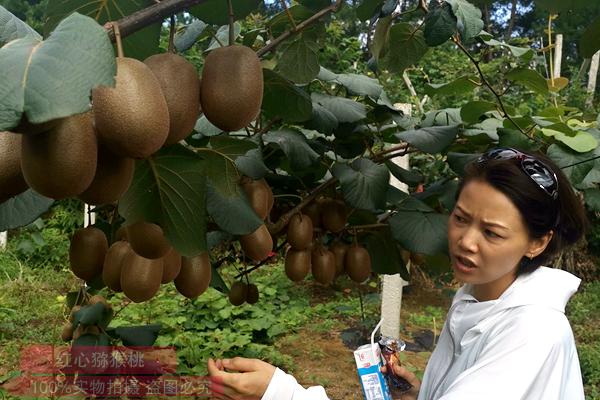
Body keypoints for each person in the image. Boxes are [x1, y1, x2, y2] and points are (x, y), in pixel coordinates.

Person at [207, 147, 588, 400]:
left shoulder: (532, 334)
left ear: (537, 243)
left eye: (491, 232)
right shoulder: (477, 297)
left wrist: (281, 393)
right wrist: (423, 393)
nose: (465, 241)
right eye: (460, 219)